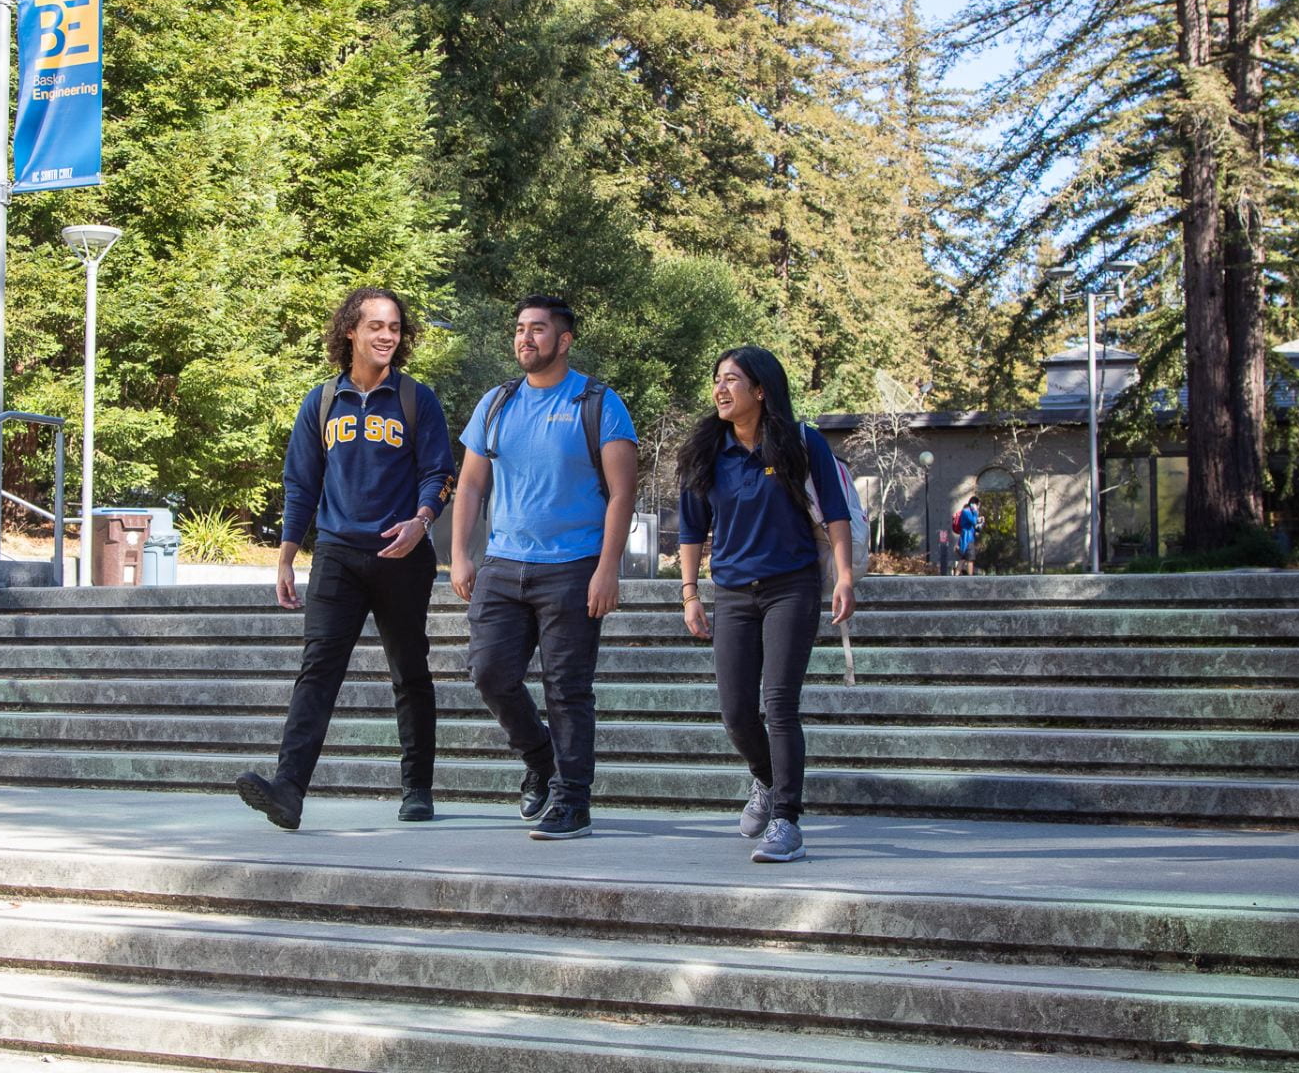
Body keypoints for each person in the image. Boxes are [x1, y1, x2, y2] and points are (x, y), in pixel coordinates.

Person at [235, 288, 454, 830]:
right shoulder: (321, 401)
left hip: (403, 555)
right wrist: (286, 556)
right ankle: (288, 791)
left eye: (395, 328)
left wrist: (421, 520)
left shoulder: (415, 399)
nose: (386, 335)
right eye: (376, 325)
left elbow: (439, 473)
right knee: (317, 672)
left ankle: (417, 788)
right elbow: (300, 484)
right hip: (336, 553)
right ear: (350, 331)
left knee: (409, 671)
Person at [449, 295, 637, 841]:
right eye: (519, 330)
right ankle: (540, 758)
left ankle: (573, 801)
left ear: (564, 339)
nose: (525, 339)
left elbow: (623, 493)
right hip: (504, 565)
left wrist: (608, 569)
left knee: (567, 688)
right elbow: (471, 484)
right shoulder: (497, 402)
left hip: (574, 566)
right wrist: (461, 555)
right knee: (489, 673)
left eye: (538, 329)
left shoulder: (599, 402)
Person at [676, 347, 855, 864]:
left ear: (760, 390)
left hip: (790, 588)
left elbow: (836, 512)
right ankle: (765, 779)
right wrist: (690, 593)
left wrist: (844, 577)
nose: (720, 388)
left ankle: (787, 821)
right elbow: (692, 528)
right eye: (717, 379)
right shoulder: (707, 451)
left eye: (732, 379)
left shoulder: (802, 443)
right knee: (735, 712)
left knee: (778, 704)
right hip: (731, 593)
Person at [955, 494, 982, 575]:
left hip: (967, 537)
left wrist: (980, 520)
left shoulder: (967, 511)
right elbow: (973, 521)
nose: (978, 507)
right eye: (977, 505)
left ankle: (955, 577)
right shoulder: (966, 511)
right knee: (970, 559)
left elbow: (974, 523)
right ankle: (970, 578)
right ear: (973, 504)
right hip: (968, 538)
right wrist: (975, 512)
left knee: (963, 559)